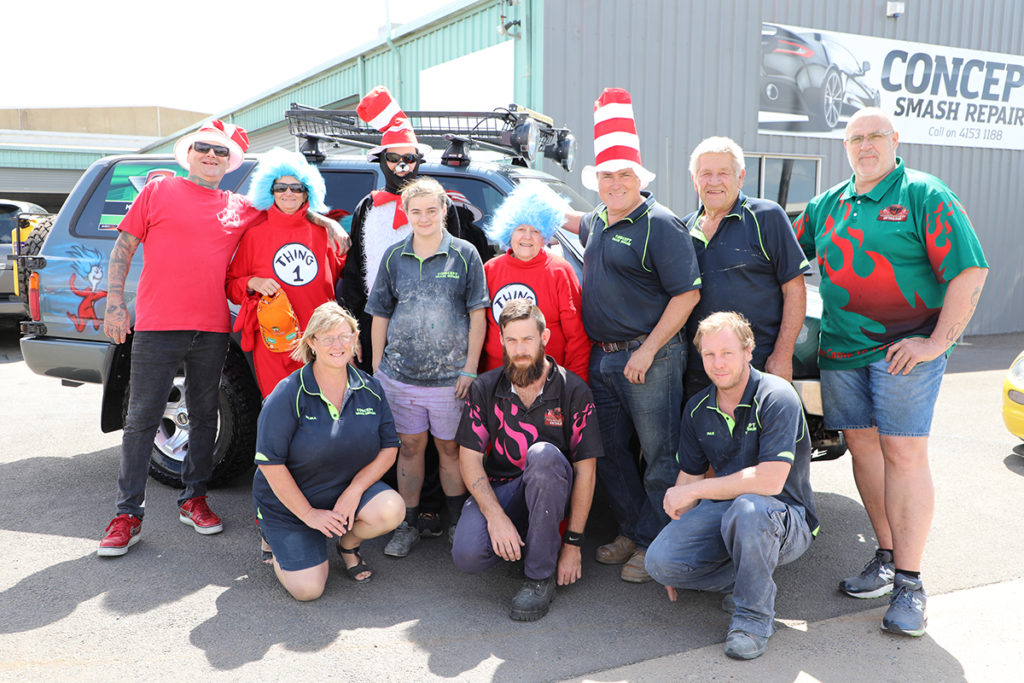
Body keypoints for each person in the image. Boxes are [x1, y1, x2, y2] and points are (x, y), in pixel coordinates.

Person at [97, 121, 348, 558]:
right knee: (141, 420)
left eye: (220, 151)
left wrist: (325, 219)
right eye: (204, 148)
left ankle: (193, 499)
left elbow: (287, 205)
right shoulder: (158, 191)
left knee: (204, 415)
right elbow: (124, 246)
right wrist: (115, 302)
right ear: (189, 153)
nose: (211, 156)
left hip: (212, 328)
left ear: (230, 162)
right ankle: (127, 515)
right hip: (157, 325)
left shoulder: (239, 207)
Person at [794, 107, 988, 636]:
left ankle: (910, 581)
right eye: (855, 138)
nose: (865, 145)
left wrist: (937, 343)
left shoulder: (924, 194)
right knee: (863, 448)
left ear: (895, 140)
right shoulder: (828, 204)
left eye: (875, 136)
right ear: (845, 146)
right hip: (841, 351)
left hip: (904, 353)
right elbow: (781, 253)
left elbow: (970, 271)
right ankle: (886, 555)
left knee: (903, 452)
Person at [578, 88, 701, 582]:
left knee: (659, 455)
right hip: (602, 358)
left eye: (623, 175)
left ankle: (656, 544)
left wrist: (648, 351)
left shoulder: (661, 224)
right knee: (607, 452)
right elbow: (570, 222)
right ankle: (634, 528)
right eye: (606, 175)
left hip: (650, 357)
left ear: (639, 178)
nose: (615, 183)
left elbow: (687, 295)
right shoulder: (595, 221)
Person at [645, 312, 817, 660]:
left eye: (727, 353)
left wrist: (695, 492)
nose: (718, 363)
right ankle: (750, 577)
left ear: (748, 351)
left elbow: (770, 480)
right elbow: (689, 479)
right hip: (729, 510)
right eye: (709, 354)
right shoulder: (697, 408)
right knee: (660, 561)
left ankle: (753, 620)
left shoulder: (776, 396)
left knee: (748, 509)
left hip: (784, 515)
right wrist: (676, 547)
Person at [452, 300, 600, 621]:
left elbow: (586, 472)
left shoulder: (573, 390)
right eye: (512, 340)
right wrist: (496, 517)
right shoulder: (485, 388)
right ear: (501, 341)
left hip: (553, 493)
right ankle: (528, 541)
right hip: (504, 490)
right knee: (467, 555)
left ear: (544, 337)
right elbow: (469, 459)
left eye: (528, 339)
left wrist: (573, 544)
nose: (520, 350)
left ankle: (538, 577)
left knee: (543, 456)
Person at [365, 177, 490, 558]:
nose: (424, 218)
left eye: (431, 210)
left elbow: (479, 315)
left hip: (451, 380)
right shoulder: (393, 257)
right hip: (400, 377)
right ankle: (407, 524)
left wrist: (469, 369)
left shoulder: (465, 254)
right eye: (416, 211)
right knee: (409, 447)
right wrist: (377, 368)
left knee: (450, 449)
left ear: (444, 211)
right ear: (406, 213)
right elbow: (380, 314)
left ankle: (457, 524)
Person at [253, 302, 404, 600]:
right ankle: (272, 535)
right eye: (328, 338)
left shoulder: (371, 388)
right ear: (312, 342)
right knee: (308, 590)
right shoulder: (288, 392)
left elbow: (389, 447)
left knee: (391, 510)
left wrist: (354, 491)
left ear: (355, 339)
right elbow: (270, 463)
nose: (338, 345)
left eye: (345, 336)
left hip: (343, 493)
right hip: (291, 504)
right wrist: (309, 514)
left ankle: (347, 544)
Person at [340, 85, 483, 373]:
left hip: (433, 328)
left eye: (409, 158)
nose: (401, 165)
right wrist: (353, 328)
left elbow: (457, 266)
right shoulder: (367, 206)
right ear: (382, 161)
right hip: (373, 327)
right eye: (393, 158)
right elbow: (353, 273)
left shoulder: (440, 204)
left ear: (418, 161)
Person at [682, 136, 808, 398]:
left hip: (756, 366)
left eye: (723, 173)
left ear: (740, 178)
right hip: (698, 369)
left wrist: (783, 355)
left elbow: (795, 289)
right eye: (706, 174)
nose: (714, 181)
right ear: (694, 180)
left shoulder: (767, 216)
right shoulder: (683, 229)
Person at [226, 148, 346, 397]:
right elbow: (231, 286)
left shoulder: (324, 233)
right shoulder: (254, 235)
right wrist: (253, 282)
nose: (288, 193)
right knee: (280, 404)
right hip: (275, 340)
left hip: (321, 338)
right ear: (270, 191)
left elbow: (342, 282)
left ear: (307, 192)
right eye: (281, 187)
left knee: (321, 407)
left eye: (296, 188)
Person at [480, 181, 590, 381]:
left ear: (545, 236)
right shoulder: (490, 270)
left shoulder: (560, 271)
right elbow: (479, 329)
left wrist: (575, 385)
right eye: (520, 228)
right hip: (497, 382)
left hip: (548, 383)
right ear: (509, 231)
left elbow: (577, 337)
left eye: (536, 230)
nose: (527, 237)